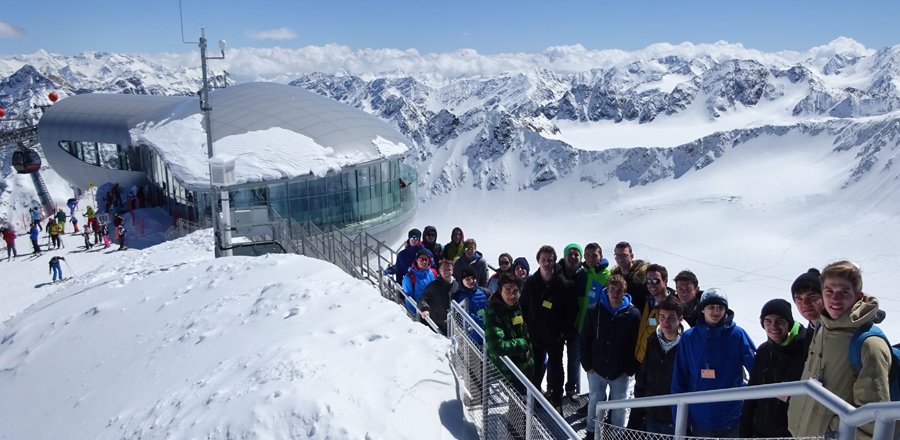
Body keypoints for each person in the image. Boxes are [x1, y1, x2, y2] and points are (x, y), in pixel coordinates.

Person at [788, 261, 891, 440]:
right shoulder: (823, 328)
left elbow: (873, 418)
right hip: (804, 433)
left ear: (858, 296)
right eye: (829, 292)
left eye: (844, 292)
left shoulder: (870, 344)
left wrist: (833, 432)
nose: (835, 299)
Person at [671, 288, 756, 438]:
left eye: (720, 308)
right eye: (711, 307)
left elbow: (756, 369)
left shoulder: (737, 334)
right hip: (699, 418)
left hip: (732, 418)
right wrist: (680, 419)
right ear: (702, 309)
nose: (716, 312)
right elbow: (679, 380)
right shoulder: (689, 337)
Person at [580, 274, 640, 436]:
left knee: (619, 405)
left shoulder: (633, 314)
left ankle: (616, 434)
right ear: (607, 290)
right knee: (595, 401)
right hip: (596, 368)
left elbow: (635, 344)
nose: (615, 293)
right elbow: (585, 338)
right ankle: (592, 431)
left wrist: (630, 368)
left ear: (624, 292)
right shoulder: (594, 311)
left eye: (619, 290)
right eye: (612, 289)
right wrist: (587, 364)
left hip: (620, 370)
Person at [520, 245, 576, 411]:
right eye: (543, 259)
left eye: (549, 260)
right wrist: (524, 329)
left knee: (556, 368)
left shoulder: (563, 284)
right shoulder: (531, 282)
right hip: (535, 335)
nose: (546, 263)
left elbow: (571, 311)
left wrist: (562, 332)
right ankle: (533, 399)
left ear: (554, 261)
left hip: (554, 336)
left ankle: (556, 400)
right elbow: (522, 306)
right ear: (538, 260)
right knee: (535, 369)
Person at [740, 299, 806, 438]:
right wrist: (745, 432)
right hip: (760, 432)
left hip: (791, 434)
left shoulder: (805, 348)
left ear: (789, 322)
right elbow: (752, 394)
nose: (773, 326)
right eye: (768, 321)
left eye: (779, 321)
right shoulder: (764, 351)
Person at [631, 296, 685, 434]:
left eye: (671, 318)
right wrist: (640, 404)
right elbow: (643, 374)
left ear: (680, 319)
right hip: (651, 414)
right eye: (662, 317)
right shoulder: (653, 340)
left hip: (674, 417)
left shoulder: (686, 346)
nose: (665, 322)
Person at [484, 272, 534, 394]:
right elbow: (496, 347)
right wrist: (522, 344)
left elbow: (522, 330)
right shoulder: (493, 312)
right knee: (518, 404)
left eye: (515, 291)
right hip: (509, 369)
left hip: (523, 366)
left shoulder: (516, 307)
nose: (512, 295)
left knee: (522, 404)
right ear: (500, 290)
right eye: (507, 290)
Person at [559, 243, 584, 401]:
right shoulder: (556, 271)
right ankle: (554, 388)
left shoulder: (583, 274)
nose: (573, 257)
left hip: (576, 324)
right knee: (555, 357)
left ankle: (571, 389)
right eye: (570, 253)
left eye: (576, 254)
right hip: (558, 323)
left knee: (574, 358)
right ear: (565, 255)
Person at [635, 263, 674, 364]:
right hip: (642, 361)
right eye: (648, 281)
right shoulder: (649, 302)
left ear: (665, 281)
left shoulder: (672, 307)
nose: (652, 284)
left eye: (656, 280)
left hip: (658, 366)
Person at [418, 259, 460, 335]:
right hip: (437, 325)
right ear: (440, 271)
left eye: (449, 269)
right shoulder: (433, 286)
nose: (447, 271)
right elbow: (423, 299)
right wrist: (424, 309)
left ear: (452, 271)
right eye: (444, 269)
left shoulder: (456, 285)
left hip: (452, 324)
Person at [791, 268, 824, 353]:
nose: (805, 303)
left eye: (812, 296)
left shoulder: (840, 331)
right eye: (798, 299)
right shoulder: (807, 337)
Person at [611, 241, 651, 311]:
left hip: (640, 317)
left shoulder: (642, 276)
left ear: (631, 256)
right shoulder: (614, 277)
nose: (620, 258)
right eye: (617, 255)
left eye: (624, 255)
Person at [455, 265, 489, 344]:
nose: (471, 281)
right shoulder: (457, 296)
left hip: (485, 330)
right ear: (462, 281)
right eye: (467, 279)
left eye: (473, 278)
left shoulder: (484, 292)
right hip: (468, 334)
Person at [401, 248, 437, 315]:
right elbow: (409, 299)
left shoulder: (433, 272)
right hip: (420, 313)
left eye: (426, 259)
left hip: (433, 312)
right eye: (421, 259)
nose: (424, 262)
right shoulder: (409, 277)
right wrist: (415, 315)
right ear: (417, 260)